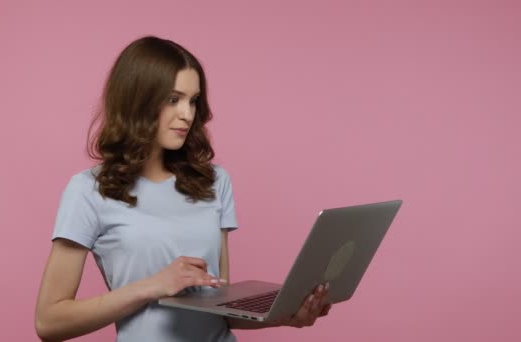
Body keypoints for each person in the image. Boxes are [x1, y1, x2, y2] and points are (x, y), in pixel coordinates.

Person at [34, 35, 332, 342]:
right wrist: (152, 286)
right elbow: (49, 321)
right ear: (138, 100)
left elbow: (220, 308)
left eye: (193, 100)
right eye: (173, 99)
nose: (187, 114)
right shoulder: (89, 190)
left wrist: (288, 316)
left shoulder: (214, 181)